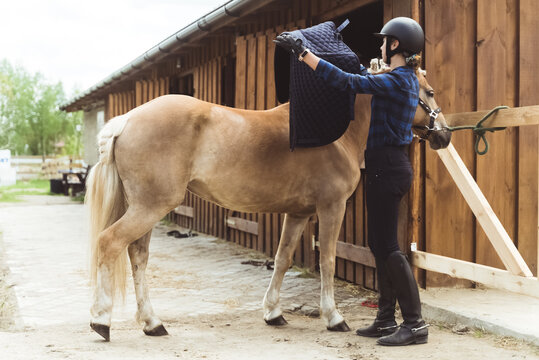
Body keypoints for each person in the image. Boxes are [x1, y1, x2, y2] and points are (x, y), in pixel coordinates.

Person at [274, 17, 429, 346]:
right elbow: (360, 74)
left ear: (396, 45)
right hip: (381, 165)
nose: (381, 47)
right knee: (379, 245)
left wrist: (305, 54)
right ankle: (386, 318)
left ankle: (415, 323)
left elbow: (347, 81)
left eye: (385, 42)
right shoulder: (395, 77)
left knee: (389, 247)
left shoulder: (401, 80)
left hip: (388, 165)